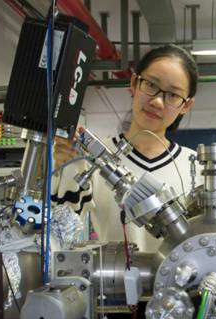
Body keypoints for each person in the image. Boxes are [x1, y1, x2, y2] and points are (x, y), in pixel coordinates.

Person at [52, 44, 200, 252]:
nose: (157, 102)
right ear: (134, 83)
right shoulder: (91, 158)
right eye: (151, 84)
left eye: (173, 95)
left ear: (186, 105)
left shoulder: (197, 168)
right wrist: (63, 167)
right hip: (113, 273)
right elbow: (59, 233)